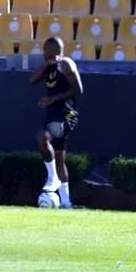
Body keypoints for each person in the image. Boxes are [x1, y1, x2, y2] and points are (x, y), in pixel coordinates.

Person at [29, 37, 83, 209]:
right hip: (53, 114)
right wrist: (46, 65)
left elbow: (78, 89)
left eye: (47, 50)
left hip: (66, 114)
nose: (44, 54)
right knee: (59, 159)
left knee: (42, 137)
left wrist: (52, 98)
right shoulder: (49, 66)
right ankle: (66, 203)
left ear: (54, 50)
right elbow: (32, 80)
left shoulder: (66, 64)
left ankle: (52, 178)